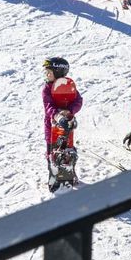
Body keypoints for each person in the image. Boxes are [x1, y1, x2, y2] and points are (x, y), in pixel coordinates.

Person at [42, 56, 83, 192]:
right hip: (52, 128)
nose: (46, 75)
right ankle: (54, 177)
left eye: (49, 72)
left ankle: (68, 173)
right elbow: (48, 106)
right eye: (45, 72)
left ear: (59, 73)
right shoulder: (47, 89)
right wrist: (57, 115)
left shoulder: (69, 86)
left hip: (67, 126)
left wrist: (69, 111)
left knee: (67, 151)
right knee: (53, 153)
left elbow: (78, 101)